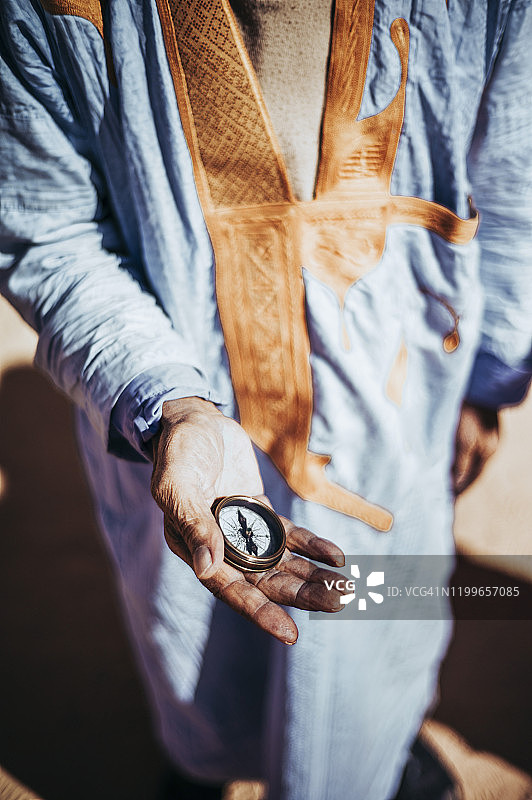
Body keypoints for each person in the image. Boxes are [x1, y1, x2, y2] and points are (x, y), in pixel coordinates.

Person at [1, 1, 531, 798]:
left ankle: (370, 762)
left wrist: (487, 381)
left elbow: (513, 176)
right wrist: (173, 407)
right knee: (199, 643)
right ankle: (207, 761)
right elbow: (50, 232)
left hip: (398, 403)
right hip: (178, 436)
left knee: (372, 626)